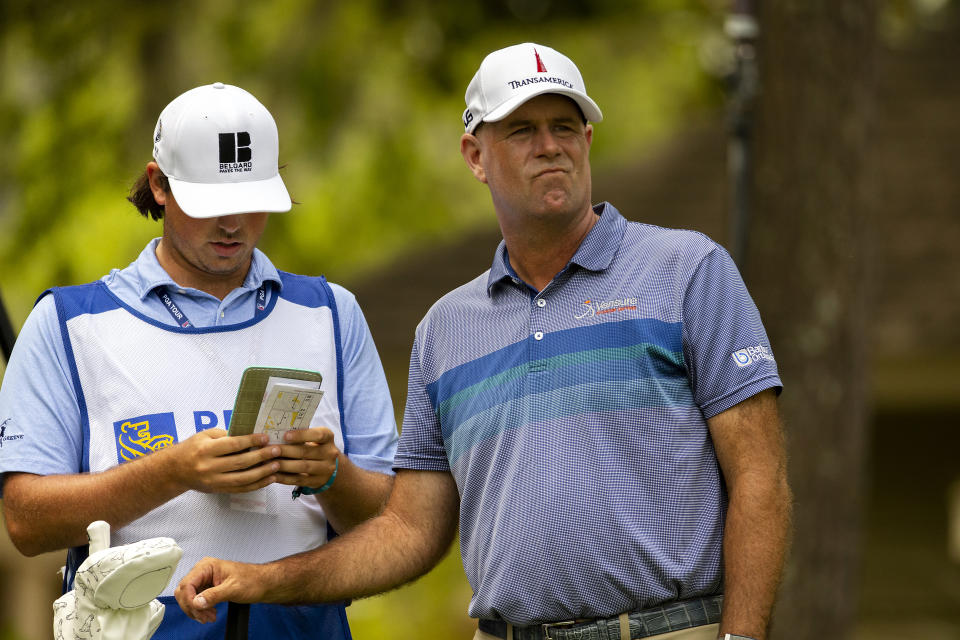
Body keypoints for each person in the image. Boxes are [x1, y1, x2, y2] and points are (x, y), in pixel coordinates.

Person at [175, 44, 792, 640]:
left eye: (565, 126)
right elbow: (409, 532)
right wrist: (261, 580)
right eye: (521, 131)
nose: (549, 146)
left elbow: (760, 479)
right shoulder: (445, 329)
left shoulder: (688, 269)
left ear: (588, 141)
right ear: (475, 156)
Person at [0, 82, 399, 639]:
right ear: (159, 185)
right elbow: (25, 520)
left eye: (252, 199)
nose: (233, 223)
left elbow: (391, 521)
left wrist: (332, 476)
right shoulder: (68, 323)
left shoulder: (331, 312)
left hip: (303, 626)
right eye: (211, 202)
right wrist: (172, 473)